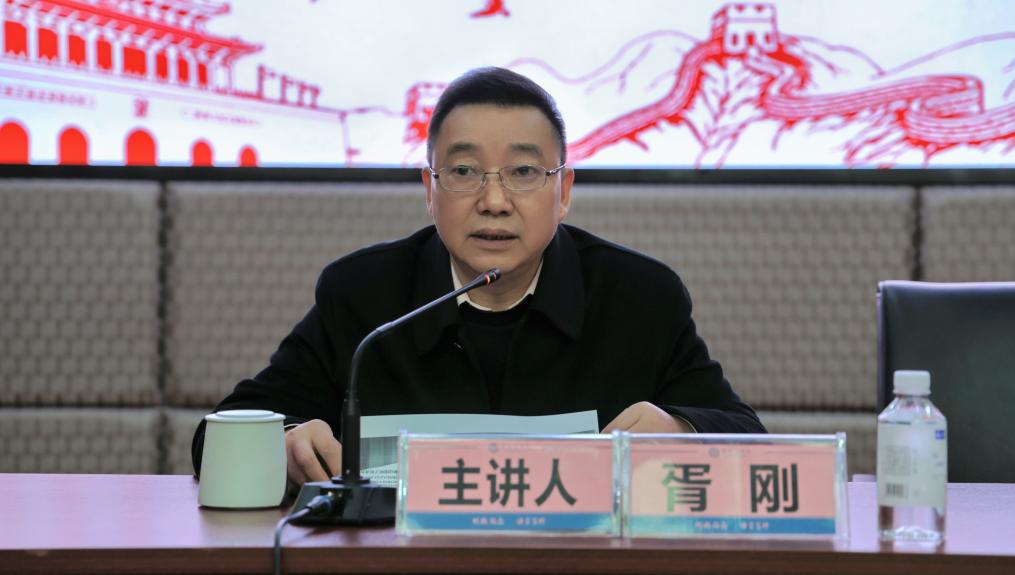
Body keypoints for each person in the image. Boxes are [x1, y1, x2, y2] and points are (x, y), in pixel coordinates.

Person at [192, 67, 765, 485]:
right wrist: (286, 443)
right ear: (430, 189)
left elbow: (749, 438)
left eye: (523, 171)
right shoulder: (363, 294)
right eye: (464, 171)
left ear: (564, 190)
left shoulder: (638, 297)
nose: (494, 201)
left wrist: (681, 431)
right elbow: (213, 438)